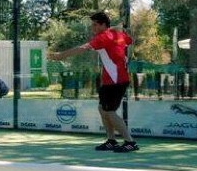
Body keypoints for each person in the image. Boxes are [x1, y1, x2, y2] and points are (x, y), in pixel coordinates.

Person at [48, 12, 138, 152]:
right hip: (110, 81)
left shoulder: (103, 37)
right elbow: (130, 40)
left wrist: (61, 56)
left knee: (110, 112)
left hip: (116, 81)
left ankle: (130, 142)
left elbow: (83, 48)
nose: (92, 27)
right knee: (102, 109)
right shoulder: (117, 35)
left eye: (95, 24)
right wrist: (115, 30)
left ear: (103, 25)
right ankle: (111, 141)